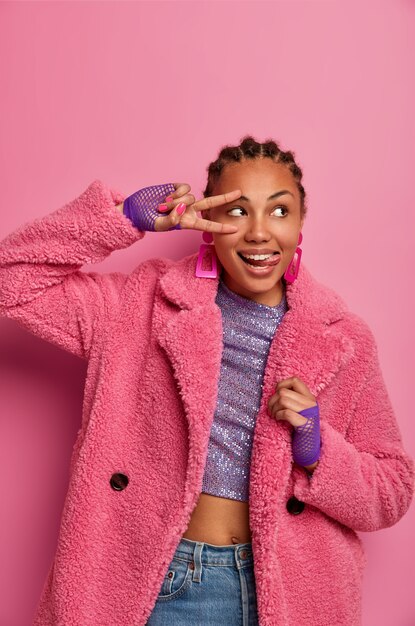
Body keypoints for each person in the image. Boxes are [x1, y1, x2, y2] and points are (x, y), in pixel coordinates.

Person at [0, 135, 413, 626]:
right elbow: (12, 282)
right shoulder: (140, 304)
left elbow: (392, 492)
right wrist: (120, 222)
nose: (260, 232)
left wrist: (318, 448)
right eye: (237, 211)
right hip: (162, 580)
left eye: (279, 212)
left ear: (301, 224)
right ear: (208, 225)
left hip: (290, 591)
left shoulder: (343, 340)